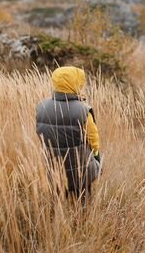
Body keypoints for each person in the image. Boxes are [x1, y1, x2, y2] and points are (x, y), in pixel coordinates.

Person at [36, 66, 102, 202]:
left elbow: (41, 134)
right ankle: (83, 218)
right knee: (83, 199)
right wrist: (96, 156)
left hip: (54, 167)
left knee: (58, 199)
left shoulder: (41, 107)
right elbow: (93, 138)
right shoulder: (83, 109)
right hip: (80, 169)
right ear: (75, 84)